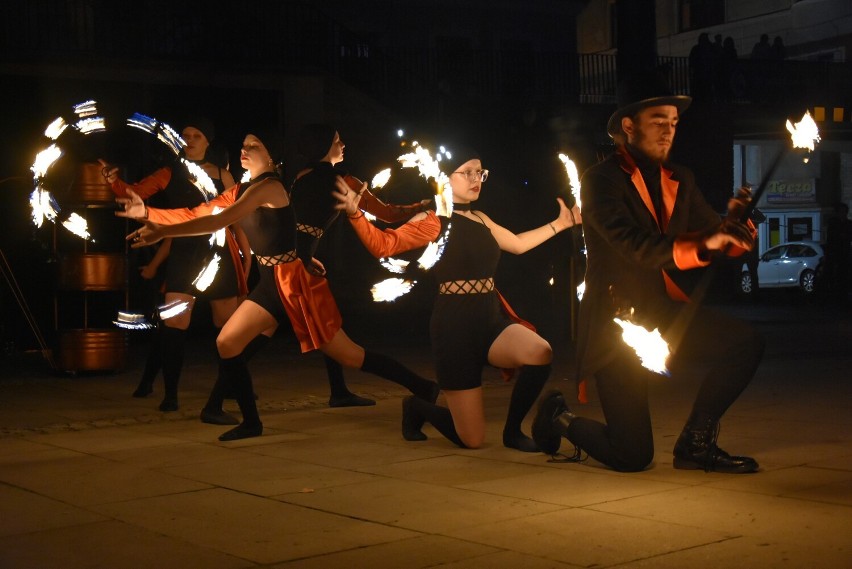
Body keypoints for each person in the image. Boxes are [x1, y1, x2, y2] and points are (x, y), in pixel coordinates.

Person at [120, 128, 439, 441]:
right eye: (243, 144)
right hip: (271, 282)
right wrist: (150, 213)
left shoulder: (271, 187)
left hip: (295, 284)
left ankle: (423, 388)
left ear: (270, 154)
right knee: (227, 343)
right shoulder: (246, 188)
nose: (245, 149)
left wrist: (161, 230)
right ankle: (251, 423)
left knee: (351, 356)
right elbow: (197, 212)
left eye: (254, 145)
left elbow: (218, 221)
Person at [531, 73, 764, 474]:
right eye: (658, 120)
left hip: (663, 312)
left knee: (746, 343)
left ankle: (695, 442)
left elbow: (714, 237)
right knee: (632, 456)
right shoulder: (600, 181)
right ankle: (558, 419)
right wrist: (707, 241)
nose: (669, 130)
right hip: (615, 322)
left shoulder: (681, 179)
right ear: (629, 125)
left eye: (674, 122)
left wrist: (736, 229)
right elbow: (634, 247)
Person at [333, 146, 582, 452]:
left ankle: (513, 431)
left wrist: (562, 224)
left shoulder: (480, 218)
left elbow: (517, 244)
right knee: (472, 439)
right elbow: (385, 244)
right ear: (444, 178)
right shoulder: (432, 220)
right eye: (467, 172)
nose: (476, 178)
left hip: (490, 320)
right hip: (454, 329)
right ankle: (417, 407)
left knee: (539, 351)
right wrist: (355, 214)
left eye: (480, 172)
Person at [100, 118, 251, 412]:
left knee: (228, 329)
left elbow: (237, 221)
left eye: (197, 135)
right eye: (185, 135)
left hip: (219, 253)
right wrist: (113, 182)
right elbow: (134, 194)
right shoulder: (170, 173)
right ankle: (170, 394)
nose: (190, 139)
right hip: (185, 251)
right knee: (173, 326)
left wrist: (247, 261)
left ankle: (229, 386)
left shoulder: (223, 176)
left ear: (208, 141)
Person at [291, 123, 435, 408]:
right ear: (324, 145)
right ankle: (422, 387)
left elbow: (295, 225)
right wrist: (423, 205)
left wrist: (303, 255)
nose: (343, 144)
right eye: (336, 140)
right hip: (297, 272)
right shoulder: (345, 181)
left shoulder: (300, 176)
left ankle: (340, 391)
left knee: (327, 333)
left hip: (294, 263)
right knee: (338, 341)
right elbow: (388, 214)